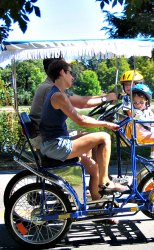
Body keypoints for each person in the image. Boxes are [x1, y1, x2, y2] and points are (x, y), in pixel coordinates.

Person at [29, 58, 118, 202]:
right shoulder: (58, 96)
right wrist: (106, 124)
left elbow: (81, 108)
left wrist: (104, 99)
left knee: (93, 166)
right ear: (62, 72)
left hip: (53, 142)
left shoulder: (56, 92)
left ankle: (97, 200)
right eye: (70, 73)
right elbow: (80, 119)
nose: (73, 76)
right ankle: (104, 182)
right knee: (104, 137)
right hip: (55, 145)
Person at [119, 70, 154, 159]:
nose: (128, 87)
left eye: (131, 84)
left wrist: (153, 117)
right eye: (126, 85)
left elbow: (149, 110)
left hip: (143, 123)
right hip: (135, 126)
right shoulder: (127, 99)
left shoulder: (142, 97)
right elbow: (130, 114)